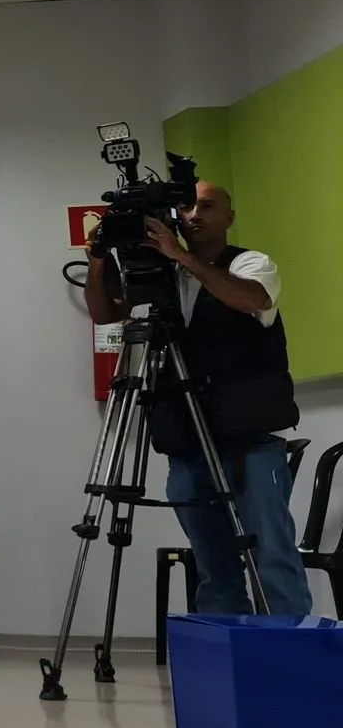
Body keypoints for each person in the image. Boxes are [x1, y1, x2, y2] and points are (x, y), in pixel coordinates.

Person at [84, 180, 310, 616]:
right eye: (187, 208)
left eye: (207, 207)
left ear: (229, 217)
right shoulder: (162, 278)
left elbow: (250, 298)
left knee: (272, 556)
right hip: (187, 444)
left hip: (249, 445)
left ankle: (289, 650)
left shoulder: (251, 263)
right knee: (213, 564)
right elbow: (104, 312)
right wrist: (96, 261)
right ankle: (226, 649)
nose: (194, 215)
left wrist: (182, 256)